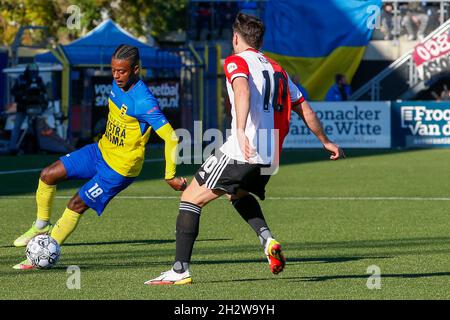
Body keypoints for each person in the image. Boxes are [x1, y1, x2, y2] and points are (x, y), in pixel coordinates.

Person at [145, 13, 344, 285]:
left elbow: (242, 91)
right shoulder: (278, 69)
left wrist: (238, 131)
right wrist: (325, 141)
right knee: (235, 193)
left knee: (191, 198)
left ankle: (180, 271)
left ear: (236, 38)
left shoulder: (235, 61)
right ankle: (267, 240)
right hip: (270, 156)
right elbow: (304, 107)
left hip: (243, 149)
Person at [12, 44, 187, 269]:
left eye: (122, 71)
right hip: (100, 151)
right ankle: (40, 226)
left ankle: (40, 256)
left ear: (136, 70)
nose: (116, 75)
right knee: (48, 174)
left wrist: (170, 176)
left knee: (76, 203)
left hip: (118, 169)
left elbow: (172, 137)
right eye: (113, 70)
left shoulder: (144, 101)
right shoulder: (116, 83)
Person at [8, 63, 47, 154]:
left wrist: (42, 102)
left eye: (35, 72)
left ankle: (37, 147)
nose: (33, 74)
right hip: (22, 107)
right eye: (31, 72)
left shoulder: (38, 79)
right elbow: (13, 91)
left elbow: (44, 92)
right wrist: (23, 95)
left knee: (35, 127)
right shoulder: (20, 79)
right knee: (17, 126)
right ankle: (12, 147)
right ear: (28, 71)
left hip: (35, 108)